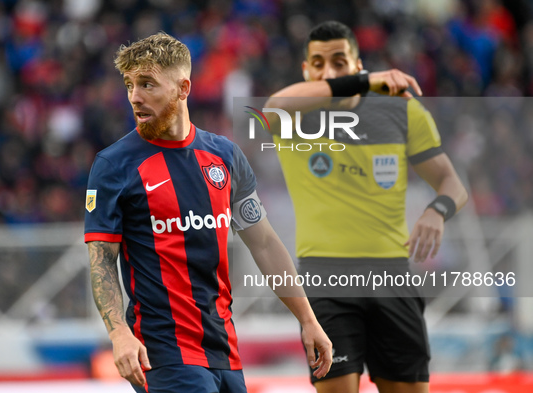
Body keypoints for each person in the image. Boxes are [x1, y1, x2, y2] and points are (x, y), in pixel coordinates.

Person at [84, 32, 332, 393]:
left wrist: (308, 319)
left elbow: (263, 242)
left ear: (183, 88)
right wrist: (118, 333)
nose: (134, 96)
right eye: (129, 84)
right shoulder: (113, 165)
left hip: (224, 351)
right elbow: (102, 258)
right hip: (162, 353)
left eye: (147, 84)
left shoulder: (225, 157)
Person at [264, 21, 469, 393]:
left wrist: (437, 210)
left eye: (340, 62)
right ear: (306, 71)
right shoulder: (295, 117)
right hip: (325, 278)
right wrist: (363, 81)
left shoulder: (402, 112)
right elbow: (274, 104)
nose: (329, 71)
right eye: (319, 63)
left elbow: (452, 184)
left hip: (391, 274)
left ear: (357, 63)